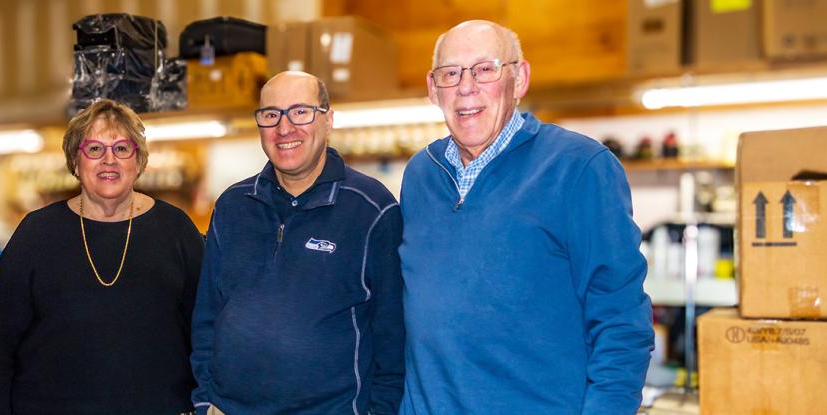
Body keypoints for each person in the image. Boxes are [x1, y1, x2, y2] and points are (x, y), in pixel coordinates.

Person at [398, 20, 653, 414]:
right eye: (450, 73)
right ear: (433, 89)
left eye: (485, 69)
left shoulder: (580, 168)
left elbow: (621, 322)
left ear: (519, 79)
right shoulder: (421, 174)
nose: (466, 87)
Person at [190, 71, 405, 415]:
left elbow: (392, 340)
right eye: (271, 114)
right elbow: (207, 317)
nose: (284, 128)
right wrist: (205, 400)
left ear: (328, 119)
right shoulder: (233, 205)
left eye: (300, 112)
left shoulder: (372, 210)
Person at [0, 99, 204, 414]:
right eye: (94, 149)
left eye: (122, 149)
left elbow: (207, 333)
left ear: (139, 160)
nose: (109, 160)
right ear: (74, 160)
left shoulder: (177, 231)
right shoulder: (36, 235)